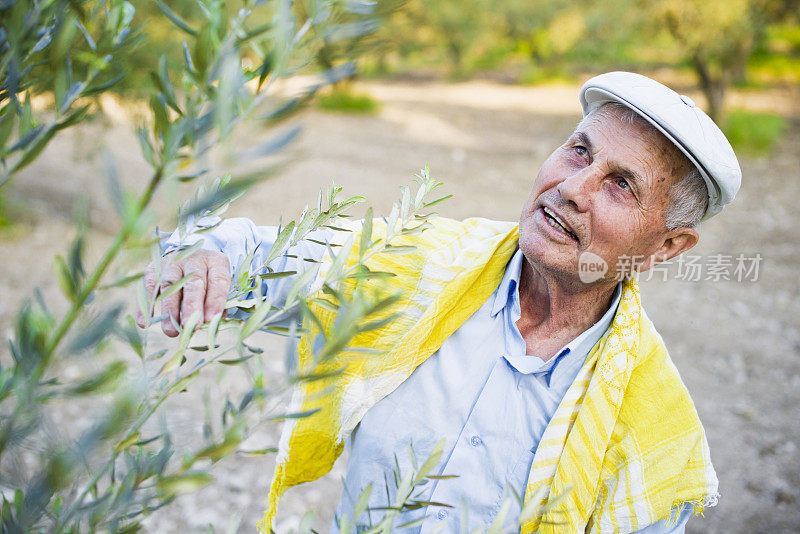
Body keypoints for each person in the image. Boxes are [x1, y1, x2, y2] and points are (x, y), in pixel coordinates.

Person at [138, 72, 741, 533]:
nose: (572, 188)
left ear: (666, 245)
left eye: (620, 183)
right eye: (579, 151)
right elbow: (252, 255)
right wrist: (204, 258)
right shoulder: (419, 266)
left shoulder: (656, 435)